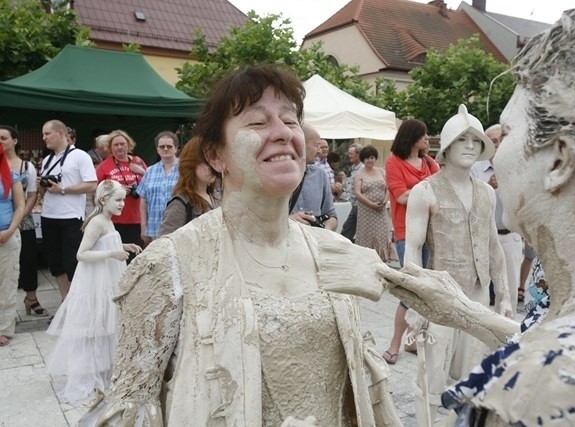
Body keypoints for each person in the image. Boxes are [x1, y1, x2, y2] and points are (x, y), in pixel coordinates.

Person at [78, 64, 401, 426]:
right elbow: (131, 408)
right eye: (258, 122)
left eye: (290, 120)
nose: (282, 133)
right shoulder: (170, 264)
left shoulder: (332, 249)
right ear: (217, 156)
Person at [379, 8, 575, 425]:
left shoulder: (543, 389)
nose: (493, 154)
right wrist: (459, 311)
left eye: (508, 132)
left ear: (559, 161)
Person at [403, 104, 512, 422]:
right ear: (447, 147)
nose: (469, 146)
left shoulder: (487, 194)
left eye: (475, 141)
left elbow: (494, 248)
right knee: (433, 376)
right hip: (441, 297)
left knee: (473, 375)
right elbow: (413, 248)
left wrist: (503, 296)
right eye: (462, 140)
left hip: (478, 296)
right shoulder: (425, 191)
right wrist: (416, 302)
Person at [46, 180, 141, 404]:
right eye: (117, 200)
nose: (121, 204)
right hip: (95, 282)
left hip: (107, 279)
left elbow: (105, 243)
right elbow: (82, 254)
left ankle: (106, 371)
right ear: (103, 200)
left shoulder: (107, 221)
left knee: (108, 323)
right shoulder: (96, 222)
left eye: (123, 200)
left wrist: (124, 246)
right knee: (94, 326)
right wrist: (112, 255)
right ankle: (89, 374)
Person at [382, 119, 439, 365]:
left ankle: (414, 338)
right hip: (406, 231)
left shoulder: (429, 162)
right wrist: (426, 190)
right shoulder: (393, 162)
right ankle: (395, 343)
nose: (427, 139)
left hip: (432, 232)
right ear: (411, 137)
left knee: (426, 290)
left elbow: (442, 190)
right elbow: (401, 196)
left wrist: (421, 191)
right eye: (423, 135)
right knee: (410, 290)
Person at [39, 120, 97, 300]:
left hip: (71, 217)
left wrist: (63, 189)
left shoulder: (80, 156)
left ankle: (77, 304)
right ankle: (65, 302)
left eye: (47, 134)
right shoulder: (47, 159)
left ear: (61, 133)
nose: (44, 138)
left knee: (72, 262)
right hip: (48, 215)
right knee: (55, 264)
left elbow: (92, 184)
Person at [471, 124, 524, 311]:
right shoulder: (476, 168)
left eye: (502, 140)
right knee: (481, 291)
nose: (499, 144)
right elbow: (469, 202)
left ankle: (508, 334)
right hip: (483, 238)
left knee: (509, 291)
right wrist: (488, 186)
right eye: (494, 141)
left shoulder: (518, 167)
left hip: (510, 237)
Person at [0, 126, 47, 317]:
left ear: (15, 141)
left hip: (23, 221)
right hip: (4, 222)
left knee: (28, 261)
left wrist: (18, 220)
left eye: (3, 138)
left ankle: (31, 297)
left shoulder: (26, 166)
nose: (1, 142)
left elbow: (32, 195)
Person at [95, 130, 147, 256]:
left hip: (136, 218)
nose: (119, 147)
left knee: (135, 257)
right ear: (110, 148)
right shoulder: (104, 166)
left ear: (128, 145)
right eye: (115, 145)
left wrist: (141, 171)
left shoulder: (138, 161)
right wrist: (117, 189)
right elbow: (96, 192)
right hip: (114, 220)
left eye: (122, 144)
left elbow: (151, 183)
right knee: (117, 257)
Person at [157, 137, 219, 237]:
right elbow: (163, 244)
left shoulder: (217, 196)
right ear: (192, 164)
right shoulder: (180, 204)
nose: (214, 167)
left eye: (216, 161)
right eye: (208, 162)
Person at [290, 123, 338, 231]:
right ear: (301, 143)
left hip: (314, 243)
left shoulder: (320, 175)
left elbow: (331, 215)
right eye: (316, 145)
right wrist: (289, 220)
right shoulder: (275, 176)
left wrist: (325, 229)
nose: (319, 151)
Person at [0, 143, 25, 346]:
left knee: (7, 283)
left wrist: (9, 231)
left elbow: (20, 207)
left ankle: (4, 328)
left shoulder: (11, 176)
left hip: (6, 236)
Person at [354, 145, 396, 262]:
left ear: (375, 158)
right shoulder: (359, 174)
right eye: (367, 158)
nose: (370, 160)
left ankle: (383, 258)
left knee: (382, 234)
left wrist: (384, 200)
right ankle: (367, 259)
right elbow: (358, 193)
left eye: (372, 157)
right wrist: (370, 204)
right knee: (367, 235)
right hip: (366, 211)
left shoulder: (381, 171)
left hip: (381, 210)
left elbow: (388, 187)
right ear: (363, 159)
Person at [137, 131, 179, 246]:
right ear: (157, 149)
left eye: (169, 146)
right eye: (162, 146)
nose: (165, 149)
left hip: (178, 227)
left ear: (176, 148)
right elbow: (143, 201)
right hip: (154, 228)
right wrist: (143, 227)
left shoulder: (185, 170)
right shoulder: (150, 171)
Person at [340, 143, 364, 242]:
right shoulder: (354, 168)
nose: (349, 156)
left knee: (353, 230)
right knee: (347, 230)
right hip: (354, 205)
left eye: (351, 153)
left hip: (360, 205)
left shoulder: (362, 169)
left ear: (358, 154)